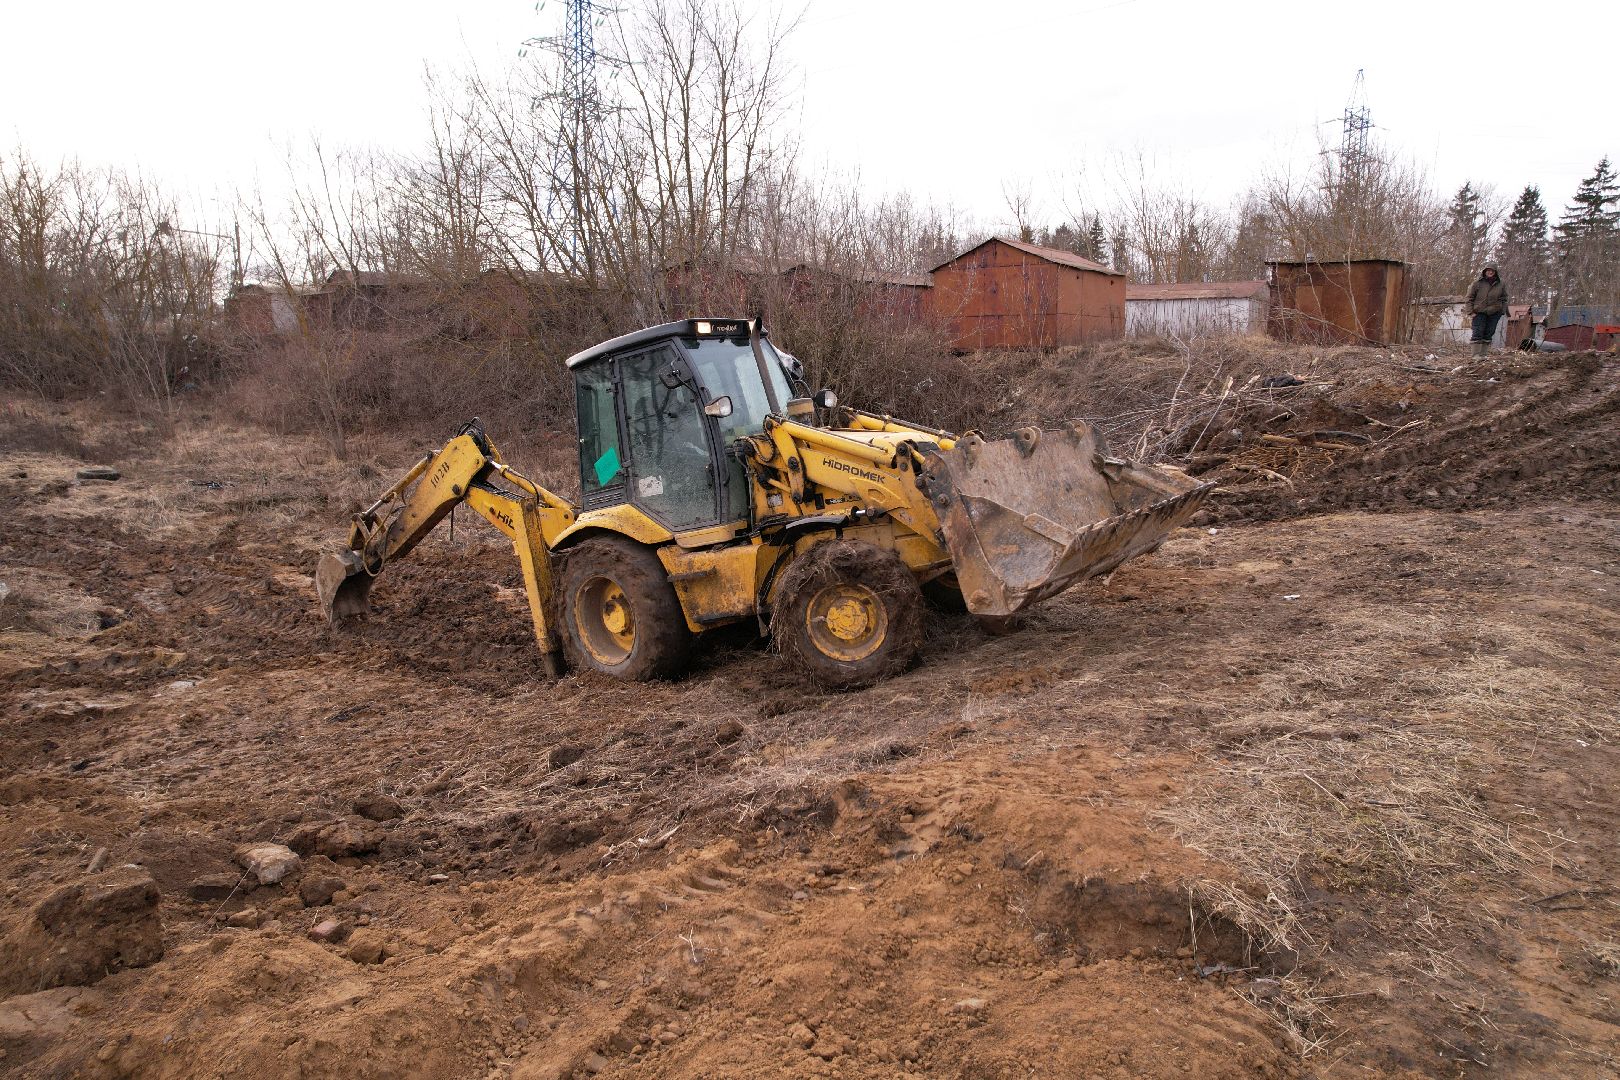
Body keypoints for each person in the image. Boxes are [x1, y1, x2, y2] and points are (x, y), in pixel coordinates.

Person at [1465, 264, 1509, 358]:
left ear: (1495, 272)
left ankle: (1483, 355)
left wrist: (1502, 311)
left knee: (1489, 333)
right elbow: (1469, 298)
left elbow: (1504, 298)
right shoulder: (1477, 283)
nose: (1490, 272)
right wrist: (1470, 312)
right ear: (1484, 271)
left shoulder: (1501, 284)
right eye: (1488, 270)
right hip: (1479, 312)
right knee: (1477, 332)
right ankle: (1475, 355)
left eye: (1492, 270)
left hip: (1494, 312)